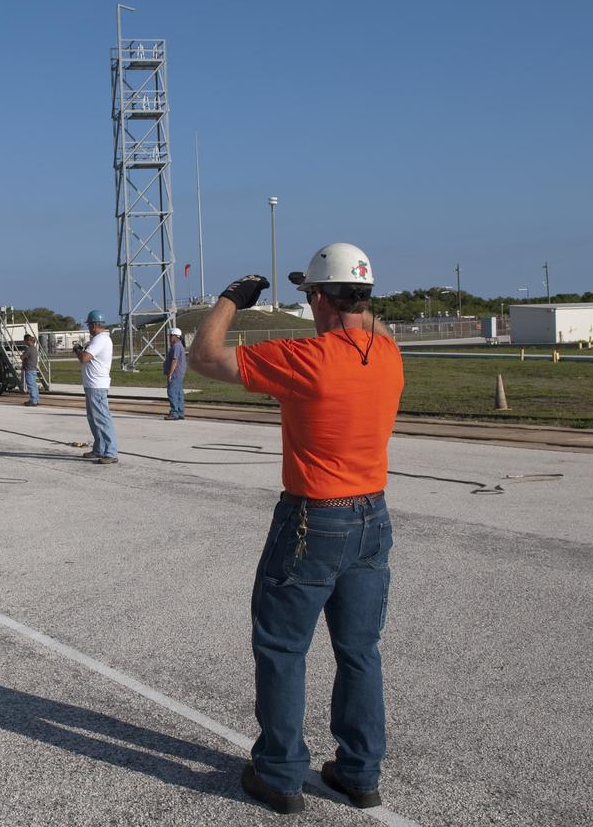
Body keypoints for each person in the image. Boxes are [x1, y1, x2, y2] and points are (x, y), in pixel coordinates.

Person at [188, 244, 403, 815]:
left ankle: (280, 774)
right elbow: (361, 318)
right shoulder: (388, 354)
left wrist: (231, 300)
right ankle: (359, 773)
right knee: (360, 651)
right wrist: (347, 295)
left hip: (314, 519)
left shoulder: (306, 357)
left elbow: (203, 357)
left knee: (283, 649)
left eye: (310, 294)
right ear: (364, 295)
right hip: (372, 517)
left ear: (319, 299)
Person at [73, 310, 117, 464]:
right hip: (92, 385)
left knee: (102, 419)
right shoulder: (97, 339)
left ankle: (111, 452)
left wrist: (78, 350)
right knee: (93, 419)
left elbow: (84, 358)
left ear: (94, 325)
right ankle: (99, 449)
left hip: (97, 386)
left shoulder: (101, 340)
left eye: (89, 325)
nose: (88, 328)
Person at [162, 327, 187, 420]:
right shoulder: (179, 345)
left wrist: (170, 374)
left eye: (171, 336)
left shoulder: (176, 346)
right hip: (179, 373)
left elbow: (174, 361)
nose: (169, 337)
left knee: (172, 392)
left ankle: (174, 413)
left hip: (175, 373)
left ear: (175, 336)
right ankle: (180, 412)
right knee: (179, 393)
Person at [21, 334, 40, 406]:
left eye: (25, 341)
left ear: (28, 340)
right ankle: (36, 399)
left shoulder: (28, 349)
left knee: (31, 385)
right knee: (34, 385)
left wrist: (22, 356)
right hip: (33, 369)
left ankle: (33, 401)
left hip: (29, 369)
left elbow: (23, 357)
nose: (24, 342)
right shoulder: (34, 348)